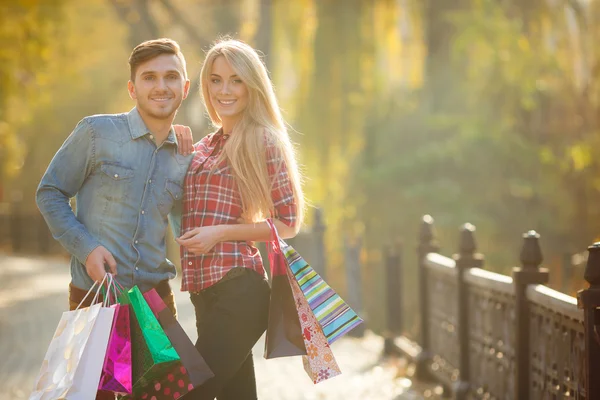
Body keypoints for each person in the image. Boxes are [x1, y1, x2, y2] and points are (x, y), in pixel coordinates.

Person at [36, 38, 194, 399]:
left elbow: (186, 227)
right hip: (97, 299)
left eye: (171, 77)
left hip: (156, 302)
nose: (161, 86)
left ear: (184, 88)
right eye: (149, 77)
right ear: (132, 87)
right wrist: (88, 249)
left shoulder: (186, 156)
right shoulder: (96, 133)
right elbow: (49, 192)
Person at [174, 38, 305, 400]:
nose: (224, 90)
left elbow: (288, 223)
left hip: (240, 289)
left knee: (189, 392)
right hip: (203, 293)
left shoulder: (264, 139)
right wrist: (172, 141)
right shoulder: (203, 147)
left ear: (252, 85)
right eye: (215, 80)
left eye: (236, 80)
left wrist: (220, 233)